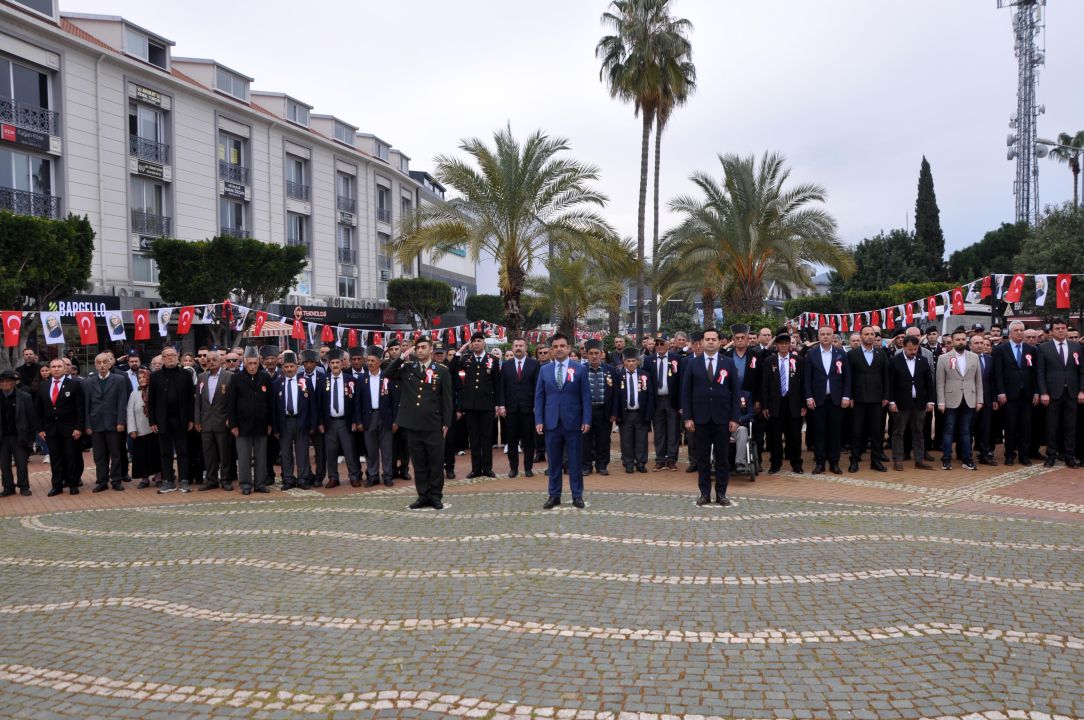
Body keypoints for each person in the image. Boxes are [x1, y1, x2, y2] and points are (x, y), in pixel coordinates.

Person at [384, 338, 454, 509]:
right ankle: (423, 495)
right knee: (419, 463)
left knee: (435, 462)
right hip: (413, 424)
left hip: (433, 424)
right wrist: (401, 357)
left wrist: (446, 423)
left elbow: (447, 399)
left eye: (424, 347)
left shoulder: (442, 370)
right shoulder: (408, 368)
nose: (420, 350)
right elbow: (387, 373)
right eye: (418, 348)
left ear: (431, 350)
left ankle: (436, 495)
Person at [681, 328, 741, 506]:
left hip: (722, 419)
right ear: (702, 342)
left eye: (714, 339)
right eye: (707, 339)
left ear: (719, 342)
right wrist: (688, 417)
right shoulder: (693, 363)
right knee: (702, 459)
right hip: (700, 419)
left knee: (722, 459)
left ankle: (721, 493)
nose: (710, 342)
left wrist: (734, 418)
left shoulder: (728, 363)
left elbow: (735, 393)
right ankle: (704, 493)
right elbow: (686, 393)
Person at [534, 333, 591, 509]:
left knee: (575, 461)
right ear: (552, 350)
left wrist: (586, 419)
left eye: (562, 346)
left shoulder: (580, 369)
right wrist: (539, 419)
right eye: (556, 346)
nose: (559, 349)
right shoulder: (544, 370)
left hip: (573, 422)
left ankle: (577, 495)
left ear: (568, 348)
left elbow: (586, 397)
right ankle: (554, 495)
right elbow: (539, 397)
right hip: (551, 423)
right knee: (554, 462)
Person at [450, 332, 503, 478]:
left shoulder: (492, 359)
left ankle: (487, 468)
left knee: (486, 438)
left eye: (479, 341)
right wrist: (460, 351)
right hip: (470, 405)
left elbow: (497, 384)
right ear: (471, 344)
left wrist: (498, 404)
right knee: (473, 438)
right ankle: (475, 469)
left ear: (484, 343)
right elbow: (452, 368)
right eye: (474, 341)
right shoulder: (466, 359)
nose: (477, 343)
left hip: (487, 404)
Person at [1035, 319, 1084, 467]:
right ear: (1051, 331)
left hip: (1072, 392)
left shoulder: (1076, 347)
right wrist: (1043, 392)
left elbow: (1081, 371)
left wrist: (1082, 390)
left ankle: (1069, 455)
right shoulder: (1043, 348)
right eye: (1057, 328)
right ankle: (1051, 456)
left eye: (1063, 328)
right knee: (1052, 426)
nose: (1061, 331)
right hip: (1052, 393)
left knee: (1070, 426)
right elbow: (1040, 372)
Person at [226, 346, 274, 495]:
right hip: (242, 425)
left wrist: (270, 423)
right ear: (245, 363)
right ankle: (246, 484)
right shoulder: (236, 378)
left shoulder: (265, 377)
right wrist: (233, 424)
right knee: (244, 457)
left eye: (255, 363)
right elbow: (231, 403)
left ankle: (260, 483)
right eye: (250, 363)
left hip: (261, 424)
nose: (253, 366)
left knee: (261, 456)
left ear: (258, 363)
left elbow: (270, 402)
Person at [804, 324, 852, 474]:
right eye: (822, 334)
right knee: (819, 432)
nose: (825, 336)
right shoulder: (812, 354)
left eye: (828, 334)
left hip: (836, 400)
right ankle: (820, 463)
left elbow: (847, 377)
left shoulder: (840, 353)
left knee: (835, 433)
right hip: (818, 400)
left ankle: (834, 463)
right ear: (818, 337)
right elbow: (807, 378)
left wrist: (846, 396)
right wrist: (809, 396)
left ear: (833, 336)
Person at [147, 347, 195, 493]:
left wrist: (191, 419)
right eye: (167, 356)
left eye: (173, 355)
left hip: (182, 420)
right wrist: (152, 421)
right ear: (162, 358)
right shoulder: (155, 376)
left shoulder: (186, 375)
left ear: (177, 357)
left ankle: (184, 480)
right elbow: (151, 401)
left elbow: (191, 399)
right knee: (165, 452)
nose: (170, 358)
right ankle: (168, 481)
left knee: (183, 451)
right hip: (162, 420)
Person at [35, 358, 85, 496]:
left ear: (65, 369)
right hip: (51, 430)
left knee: (71, 457)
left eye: (59, 366)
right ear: (50, 369)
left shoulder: (74, 384)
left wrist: (78, 428)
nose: (56, 369)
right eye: (53, 366)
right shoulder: (43, 386)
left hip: (70, 429)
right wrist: (40, 429)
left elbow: (80, 409)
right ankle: (56, 485)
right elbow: (38, 410)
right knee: (55, 459)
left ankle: (73, 484)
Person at [936, 327, 983, 471]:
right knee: (948, 430)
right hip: (951, 399)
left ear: (966, 341)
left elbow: (978, 380)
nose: (961, 342)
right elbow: (940, 382)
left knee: (966, 431)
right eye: (958, 339)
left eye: (963, 339)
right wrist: (941, 401)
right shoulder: (943, 358)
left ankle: (967, 459)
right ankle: (946, 459)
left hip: (969, 398)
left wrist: (979, 399)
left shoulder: (974, 357)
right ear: (952, 341)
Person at [992, 320, 1038, 466]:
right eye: (1016, 330)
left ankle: (1024, 456)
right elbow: (997, 373)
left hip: (1027, 394)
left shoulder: (1031, 350)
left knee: (1026, 427)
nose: (1019, 332)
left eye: (1021, 330)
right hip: (1009, 394)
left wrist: (1036, 392)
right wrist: (1000, 392)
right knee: (1010, 426)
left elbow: (1035, 373)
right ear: (1010, 332)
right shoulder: (1001, 349)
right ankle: (1009, 455)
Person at [84, 352, 129, 492]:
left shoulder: (119, 379)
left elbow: (122, 402)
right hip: (96, 423)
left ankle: (116, 480)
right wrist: (88, 424)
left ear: (110, 363)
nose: (102, 365)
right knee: (99, 455)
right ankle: (102, 480)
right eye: (99, 363)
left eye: (105, 362)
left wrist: (121, 421)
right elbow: (87, 404)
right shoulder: (89, 381)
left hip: (114, 422)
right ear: (95, 365)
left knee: (115, 453)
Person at [846, 326, 889, 473]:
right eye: (866, 334)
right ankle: (854, 460)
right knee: (856, 432)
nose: (869, 336)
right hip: (858, 400)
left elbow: (886, 377)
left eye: (872, 334)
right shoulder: (852, 354)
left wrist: (886, 396)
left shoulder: (881, 354)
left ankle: (875, 461)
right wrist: (849, 396)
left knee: (877, 432)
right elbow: (848, 377)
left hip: (877, 400)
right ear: (861, 336)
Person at [887, 336, 934, 470]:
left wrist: (931, 401)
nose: (913, 351)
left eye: (915, 349)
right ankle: (898, 460)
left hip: (919, 403)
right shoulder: (895, 361)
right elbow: (890, 383)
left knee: (919, 431)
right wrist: (891, 401)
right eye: (910, 349)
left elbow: (929, 383)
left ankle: (919, 459)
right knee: (899, 432)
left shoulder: (923, 360)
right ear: (903, 347)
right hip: (901, 403)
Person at [272, 350, 317, 491]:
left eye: (291, 366)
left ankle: (303, 478)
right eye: (286, 367)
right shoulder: (277, 384)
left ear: (297, 367)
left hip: (301, 421)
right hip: (284, 422)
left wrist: (312, 424)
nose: (289, 369)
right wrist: (275, 427)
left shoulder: (306, 382)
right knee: (285, 453)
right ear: (282, 368)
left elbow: (312, 405)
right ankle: (288, 479)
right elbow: (273, 408)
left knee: (302, 451)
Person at [317, 349, 362, 488]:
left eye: (337, 362)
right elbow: (319, 403)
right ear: (329, 364)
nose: (335, 365)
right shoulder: (323, 380)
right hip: (330, 422)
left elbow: (356, 402)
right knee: (330, 451)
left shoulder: (351, 380)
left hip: (346, 421)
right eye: (332, 363)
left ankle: (354, 476)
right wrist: (320, 422)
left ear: (342, 364)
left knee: (350, 451)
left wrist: (355, 420)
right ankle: (333, 477)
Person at [761, 332, 805, 475]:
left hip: (794, 403)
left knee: (795, 436)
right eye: (781, 344)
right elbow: (765, 385)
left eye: (786, 343)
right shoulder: (769, 361)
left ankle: (796, 463)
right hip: (775, 403)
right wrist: (765, 406)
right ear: (777, 346)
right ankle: (775, 463)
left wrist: (803, 405)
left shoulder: (798, 360)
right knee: (775, 436)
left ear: (790, 345)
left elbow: (803, 384)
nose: (784, 346)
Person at [499, 338, 539, 478]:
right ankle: (513, 468)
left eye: (521, 345)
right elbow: (502, 388)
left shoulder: (534, 365)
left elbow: (537, 388)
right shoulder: (506, 365)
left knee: (529, 441)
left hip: (528, 409)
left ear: (526, 347)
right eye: (516, 345)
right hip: (511, 409)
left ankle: (528, 468)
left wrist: (536, 405)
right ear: (512, 347)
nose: (518, 348)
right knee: (512, 441)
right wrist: (502, 405)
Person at [195, 349, 234, 491]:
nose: (211, 362)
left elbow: (232, 401)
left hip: (223, 421)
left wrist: (231, 418)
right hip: (205, 422)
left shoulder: (229, 376)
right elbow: (198, 401)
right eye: (208, 359)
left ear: (220, 361)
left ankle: (225, 479)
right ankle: (211, 480)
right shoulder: (201, 377)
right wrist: (197, 420)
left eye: (214, 359)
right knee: (208, 453)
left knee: (224, 453)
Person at [359, 346, 398, 487]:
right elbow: (358, 402)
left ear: (379, 362)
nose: (369, 363)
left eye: (372, 361)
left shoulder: (387, 377)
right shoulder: (362, 379)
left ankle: (387, 475)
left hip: (385, 418)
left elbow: (395, 401)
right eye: (368, 360)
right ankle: (373, 475)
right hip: (369, 418)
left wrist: (395, 420)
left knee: (387, 449)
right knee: (371, 450)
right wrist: (359, 421)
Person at [613, 346, 655, 474]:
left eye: (633, 361)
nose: (631, 364)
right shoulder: (619, 376)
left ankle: (641, 462)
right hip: (625, 414)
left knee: (642, 439)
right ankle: (628, 462)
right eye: (628, 361)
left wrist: (649, 414)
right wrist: (616, 414)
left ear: (638, 361)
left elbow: (650, 396)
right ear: (624, 362)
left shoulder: (645, 376)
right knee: (626, 440)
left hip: (640, 413)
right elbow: (615, 397)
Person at [579, 339, 613, 477]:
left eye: (596, 353)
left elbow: (614, 392)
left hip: (604, 410)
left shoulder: (609, 370)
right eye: (591, 353)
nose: (594, 356)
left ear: (602, 354)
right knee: (585, 440)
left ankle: (602, 465)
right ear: (586, 354)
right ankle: (586, 466)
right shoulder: (580, 370)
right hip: (586, 411)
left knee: (603, 439)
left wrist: (613, 412)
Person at [646, 336, 682, 471]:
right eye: (657, 344)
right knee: (659, 431)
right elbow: (647, 383)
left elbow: (680, 381)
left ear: (668, 345)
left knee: (673, 431)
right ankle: (660, 459)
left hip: (671, 400)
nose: (659, 346)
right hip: (657, 400)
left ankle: (671, 459)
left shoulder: (676, 359)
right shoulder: (649, 360)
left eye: (662, 343)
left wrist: (681, 404)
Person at [0, 369, 36, 497]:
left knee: (21, 463)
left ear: (14, 382)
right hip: (2, 437)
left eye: (8, 381)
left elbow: (32, 419)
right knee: (4, 465)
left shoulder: (24, 397)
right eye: (2, 381)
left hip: (19, 436)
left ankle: (24, 486)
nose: (4, 384)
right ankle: (8, 487)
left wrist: (31, 439)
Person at [126, 367, 160, 488]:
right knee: (141, 456)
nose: (141, 379)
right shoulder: (134, 394)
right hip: (139, 431)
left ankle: (159, 476)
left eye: (144, 377)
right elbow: (130, 412)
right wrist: (132, 429)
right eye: (139, 378)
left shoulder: (155, 391)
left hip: (154, 430)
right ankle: (144, 479)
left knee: (155, 454)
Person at [299, 349, 327, 487]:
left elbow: (324, 401)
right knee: (303, 449)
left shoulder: (323, 378)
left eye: (311, 362)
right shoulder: (298, 377)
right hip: (303, 419)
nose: (309, 365)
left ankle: (320, 476)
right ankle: (307, 474)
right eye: (306, 362)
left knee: (320, 450)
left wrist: (321, 421)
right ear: (302, 363)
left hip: (319, 420)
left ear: (316, 363)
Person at [971, 335, 998, 466]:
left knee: (985, 428)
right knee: (968, 428)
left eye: (982, 342)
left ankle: (984, 454)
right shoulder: (965, 358)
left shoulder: (990, 359)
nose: (980, 345)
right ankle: (964, 453)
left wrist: (994, 399)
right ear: (970, 345)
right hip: (969, 399)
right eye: (976, 343)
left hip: (987, 399)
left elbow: (993, 380)